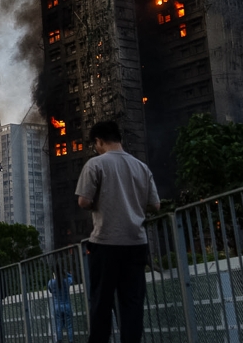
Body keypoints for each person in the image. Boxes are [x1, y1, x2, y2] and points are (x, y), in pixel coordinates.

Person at [75, 120, 160, 343]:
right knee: (132, 303)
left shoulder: (95, 164)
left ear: (99, 141)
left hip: (105, 242)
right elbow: (155, 205)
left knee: (101, 302)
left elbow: (84, 201)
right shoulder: (141, 167)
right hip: (136, 243)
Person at [48, 271, 74, 343]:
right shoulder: (66, 281)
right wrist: (66, 273)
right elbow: (71, 278)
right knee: (69, 326)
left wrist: (54, 277)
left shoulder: (51, 282)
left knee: (58, 325)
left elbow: (50, 291)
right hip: (67, 306)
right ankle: (71, 341)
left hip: (57, 307)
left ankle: (59, 341)